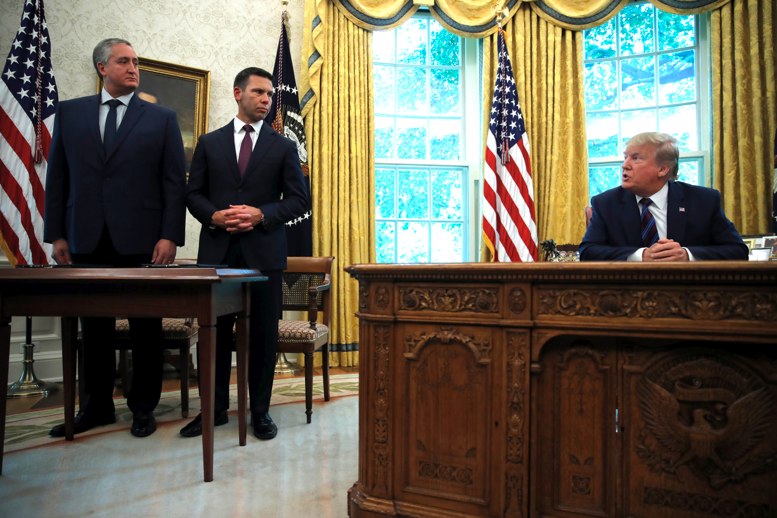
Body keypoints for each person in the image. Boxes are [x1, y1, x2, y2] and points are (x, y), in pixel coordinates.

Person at [43, 38, 186, 438]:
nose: (133, 68)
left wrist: (169, 235)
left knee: (146, 329)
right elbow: (59, 177)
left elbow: (173, 183)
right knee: (94, 329)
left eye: (136, 61)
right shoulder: (71, 113)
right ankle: (96, 407)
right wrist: (56, 233)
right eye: (124, 61)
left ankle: (143, 408)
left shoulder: (161, 118)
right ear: (102, 67)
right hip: (85, 237)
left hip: (143, 240)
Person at [181, 67, 309, 440]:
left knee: (263, 336)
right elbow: (193, 194)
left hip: (265, 254)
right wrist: (215, 216)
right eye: (258, 92)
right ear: (238, 93)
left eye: (269, 94)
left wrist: (261, 214)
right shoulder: (209, 143)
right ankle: (215, 410)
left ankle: (260, 412)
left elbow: (299, 199)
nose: (266, 100)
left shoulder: (283, 146)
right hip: (218, 253)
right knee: (215, 335)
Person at [579, 132, 748, 261]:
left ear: (662, 169)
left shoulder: (704, 201)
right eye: (625, 157)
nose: (625, 165)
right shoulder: (605, 203)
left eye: (635, 158)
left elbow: (738, 251)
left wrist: (686, 255)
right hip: (628, 291)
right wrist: (641, 256)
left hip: (689, 291)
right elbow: (588, 252)